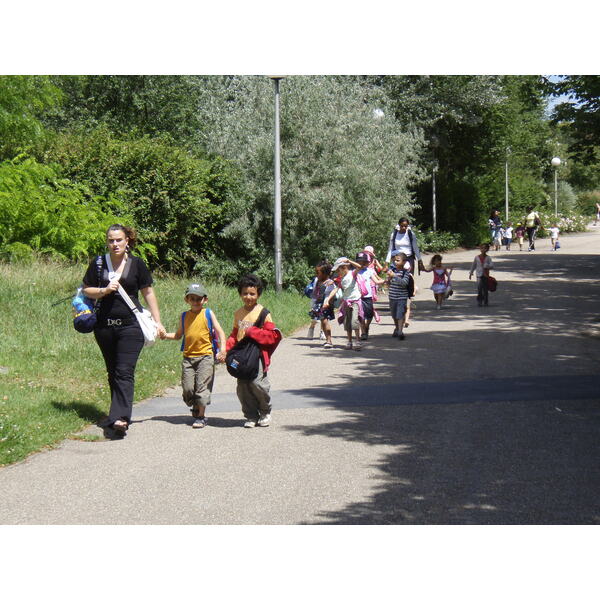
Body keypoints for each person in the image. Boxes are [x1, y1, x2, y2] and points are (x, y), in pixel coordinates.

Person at [82, 224, 166, 436]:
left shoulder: (137, 264)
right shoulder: (99, 263)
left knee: (124, 371)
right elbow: (87, 289)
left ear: (127, 240)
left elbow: (148, 293)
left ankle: (120, 418)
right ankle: (117, 411)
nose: (115, 244)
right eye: (111, 240)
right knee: (113, 372)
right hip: (104, 328)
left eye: (119, 240)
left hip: (131, 327)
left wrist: (158, 321)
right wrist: (104, 290)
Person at [160, 283, 227, 428]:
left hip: (206, 357)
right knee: (188, 388)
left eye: (198, 299)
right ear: (187, 300)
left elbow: (220, 332)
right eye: (192, 299)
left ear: (205, 300)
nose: (196, 302)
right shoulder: (184, 316)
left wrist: (223, 349)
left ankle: (201, 417)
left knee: (202, 388)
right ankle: (195, 404)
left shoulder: (208, 313)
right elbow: (178, 335)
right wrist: (165, 336)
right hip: (188, 358)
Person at [225, 274, 281, 428]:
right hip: (241, 356)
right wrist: (226, 350)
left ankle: (264, 412)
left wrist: (252, 331)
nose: (248, 297)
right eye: (245, 293)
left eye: (252, 293)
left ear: (258, 294)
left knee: (258, 384)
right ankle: (250, 415)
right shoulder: (238, 313)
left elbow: (271, 337)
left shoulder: (264, 313)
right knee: (243, 387)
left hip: (257, 356)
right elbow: (234, 335)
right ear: (240, 293)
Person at [323, 256, 365, 351]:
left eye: (338, 270)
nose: (337, 273)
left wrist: (349, 261)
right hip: (346, 303)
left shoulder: (352, 274)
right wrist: (328, 299)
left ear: (344, 267)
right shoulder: (341, 279)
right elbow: (336, 289)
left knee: (354, 321)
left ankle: (358, 341)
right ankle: (349, 341)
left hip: (355, 301)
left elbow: (360, 267)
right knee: (347, 323)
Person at [356, 251, 385, 341]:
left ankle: (366, 326)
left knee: (369, 314)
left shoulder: (369, 271)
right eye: (359, 262)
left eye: (363, 262)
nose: (361, 264)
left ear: (367, 262)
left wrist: (384, 281)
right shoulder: (354, 272)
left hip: (368, 296)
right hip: (357, 296)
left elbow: (376, 281)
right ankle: (363, 332)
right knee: (360, 315)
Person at [308, 261, 337, 349]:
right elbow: (315, 293)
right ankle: (327, 340)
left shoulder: (329, 283)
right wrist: (314, 305)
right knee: (322, 321)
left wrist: (327, 303)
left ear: (325, 274)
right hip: (319, 304)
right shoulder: (318, 281)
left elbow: (331, 294)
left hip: (325, 304)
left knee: (324, 321)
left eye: (318, 272)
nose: (316, 274)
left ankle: (329, 341)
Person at [386, 251, 411, 340]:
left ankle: (400, 331)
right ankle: (397, 328)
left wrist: (395, 276)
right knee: (394, 315)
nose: (395, 262)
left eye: (398, 260)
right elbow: (388, 284)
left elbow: (404, 283)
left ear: (404, 262)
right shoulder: (392, 271)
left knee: (400, 314)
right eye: (395, 260)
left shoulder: (406, 272)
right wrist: (388, 279)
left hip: (401, 297)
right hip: (392, 297)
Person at [469, 243, 494, 307]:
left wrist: (487, 266)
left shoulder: (488, 258)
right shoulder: (477, 257)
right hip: (479, 275)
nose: (483, 249)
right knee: (479, 288)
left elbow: (492, 265)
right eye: (482, 248)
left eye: (485, 248)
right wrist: (471, 272)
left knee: (485, 289)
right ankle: (479, 301)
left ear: (487, 249)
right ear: (480, 249)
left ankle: (486, 301)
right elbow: (473, 265)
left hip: (486, 275)